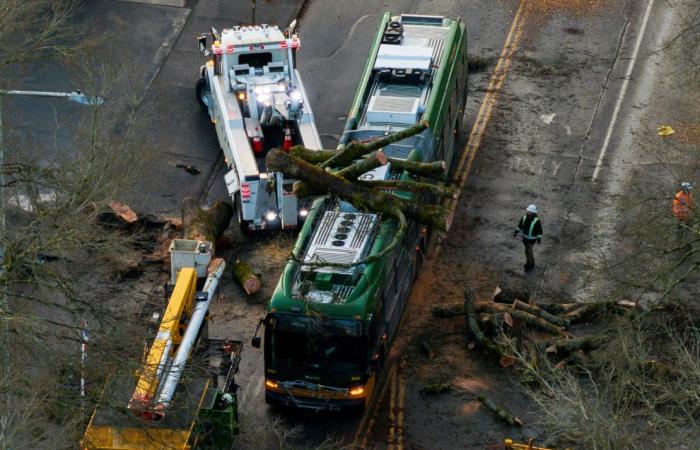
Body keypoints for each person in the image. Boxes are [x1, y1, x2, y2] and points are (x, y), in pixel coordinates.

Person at [513, 204, 543, 272]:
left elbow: (540, 230)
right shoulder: (524, 217)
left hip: (531, 240)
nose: (528, 212)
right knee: (527, 251)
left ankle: (530, 265)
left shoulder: (536, 220)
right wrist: (516, 231)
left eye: (530, 211)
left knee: (528, 251)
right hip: (525, 239)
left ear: (533, 213)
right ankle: (530, 262)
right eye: (528, 210)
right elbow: (520, 225)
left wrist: (539, 238)